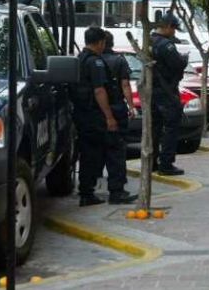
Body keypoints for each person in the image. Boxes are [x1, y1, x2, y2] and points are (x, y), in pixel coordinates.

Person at [73, 27, 138, 206]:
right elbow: (100, 90)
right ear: (100, 42)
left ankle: (86, 193)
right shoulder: (96, 63)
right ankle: (117, 191)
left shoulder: (79, 59)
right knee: (115, 152)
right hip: (99, 116)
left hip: (85, 116)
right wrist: (109, 117)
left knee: (89, 155)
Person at [99, 31, 138, 204]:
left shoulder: (91, 60)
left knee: (94, 150)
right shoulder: (119, 61)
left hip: (94, 112)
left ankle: (88, 189)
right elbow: (125, 85)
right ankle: (117, 190)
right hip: (115, 109)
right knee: (117, 150)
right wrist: (131, 106)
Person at [150, 13, 188, 175]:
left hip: (152, 91)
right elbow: (177, 64)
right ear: (167, 26)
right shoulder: (166, 45)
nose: (174, 32)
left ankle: (151, 161)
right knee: (171, 127)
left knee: (154, 128)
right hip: (166, 92)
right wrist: (184, 60)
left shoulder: (149, 41)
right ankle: (166, 163)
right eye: (173, 28)